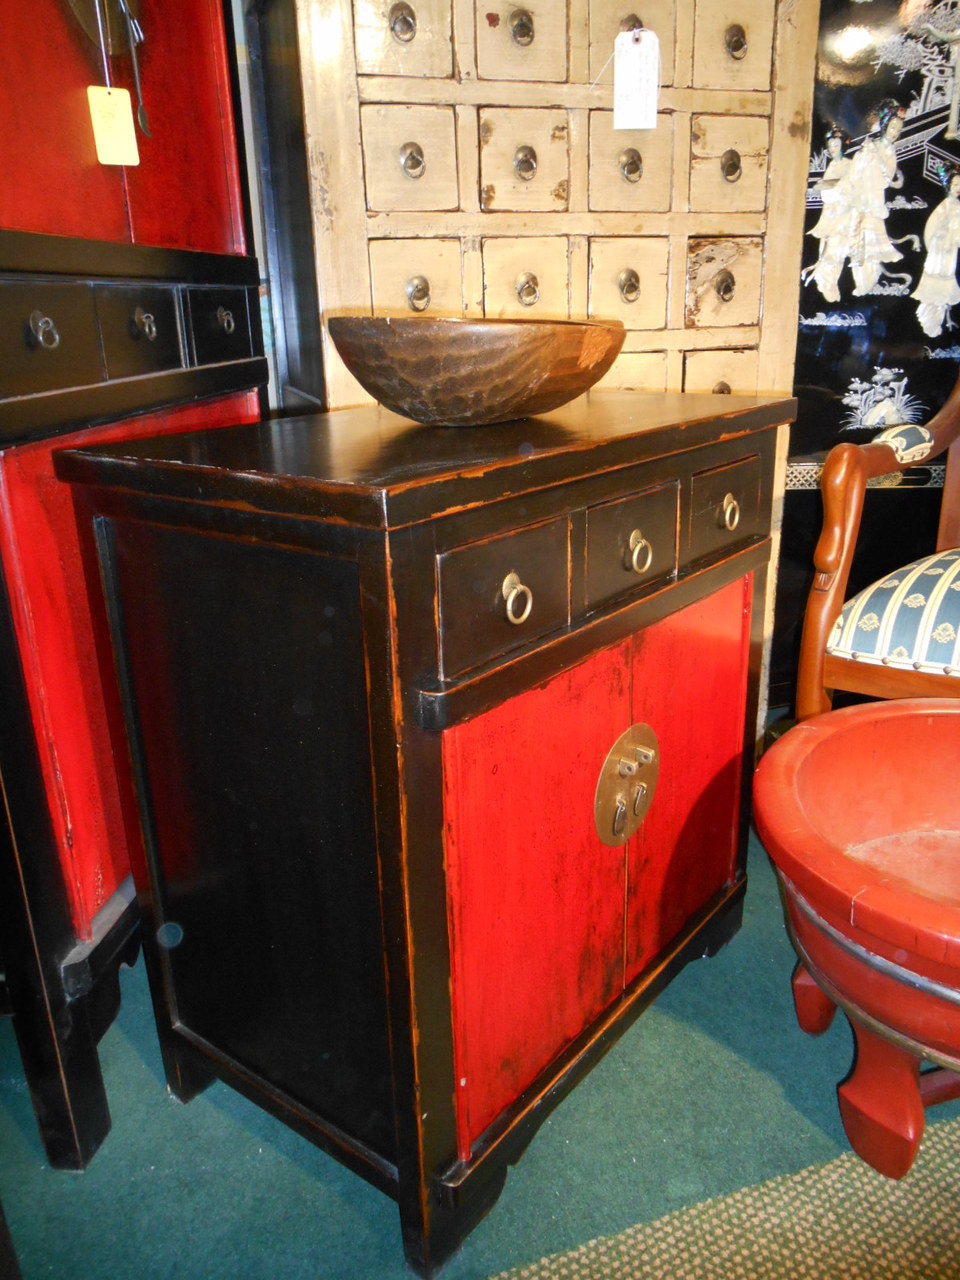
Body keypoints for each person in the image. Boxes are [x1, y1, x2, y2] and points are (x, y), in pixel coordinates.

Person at [848, 99, 906, 295]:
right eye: (893, 127)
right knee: (857, 241)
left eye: (899, 129)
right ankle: (859, 282)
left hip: (874, 203)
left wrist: (876, 157)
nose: (895, 132)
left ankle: (868, 282)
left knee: (873, 246)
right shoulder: (870, 145)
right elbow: (855, 172)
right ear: (885, 125)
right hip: (861, 201)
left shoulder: (890, 152)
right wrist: (865, 155)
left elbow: (886, 178)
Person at [805, 125, 855, 302]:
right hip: (830, 215)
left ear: (843, 145)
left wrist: (834, 186)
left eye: (836, 145)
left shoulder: (850, 165)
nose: (832, 149)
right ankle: (824, 281)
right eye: (830, 146)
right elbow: (826, 191)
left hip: (843, 218)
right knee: (824, 252)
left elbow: (851, 189)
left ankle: (830, 282)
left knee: (835, 254)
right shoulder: (832, 166)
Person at [912, 163, 960, 337]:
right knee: (935, 285)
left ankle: (938, 319)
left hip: (951, 253)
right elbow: (932, 228)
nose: (958, 189)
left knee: (945, 288)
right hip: (939, 251)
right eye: (955, 185)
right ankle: (930, 319)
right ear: (949, 185)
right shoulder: (946, 206)